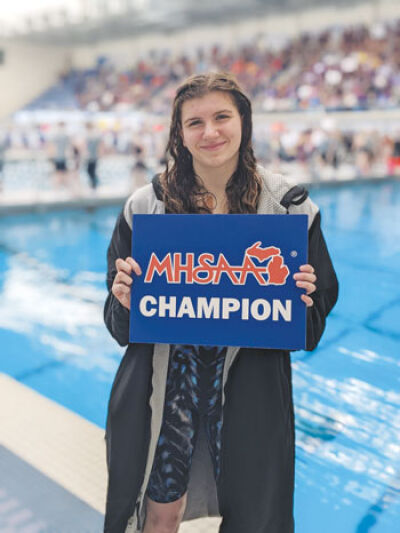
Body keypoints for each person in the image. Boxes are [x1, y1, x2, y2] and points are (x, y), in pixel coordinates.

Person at [103, 72, 338, 533]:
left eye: (221, 117)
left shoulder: (289, 209)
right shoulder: (145, 208)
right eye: (195, 122)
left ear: (244, 122)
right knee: (155, 515)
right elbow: (118, 325)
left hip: (251, 390)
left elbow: (309, 329)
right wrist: (125, 299)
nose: (210, 132)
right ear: (180, 133)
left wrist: (304, 298)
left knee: (254, 517)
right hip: (164, 387)